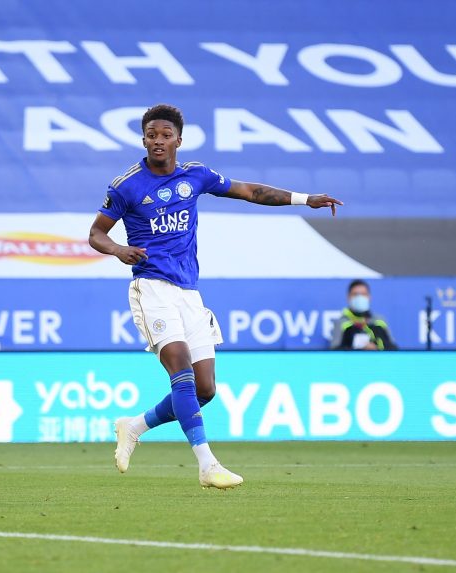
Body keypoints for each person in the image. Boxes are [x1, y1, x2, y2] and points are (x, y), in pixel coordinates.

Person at [88, 104, 342, 489]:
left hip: (189, 293)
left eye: (165, 135)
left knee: (205, 389)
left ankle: (133, 426)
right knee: (180, 368)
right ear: (143, 139)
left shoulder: (197, 176)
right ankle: (207, 465)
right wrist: (120, 250)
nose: (158, 141)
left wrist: (305, 199)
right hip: (151, 288)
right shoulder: (126, 186)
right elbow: (96, 234)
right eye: (151, 135)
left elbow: (251, 191)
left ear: (178, 140)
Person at [330, 279, 397, 350]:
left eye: (363, 294)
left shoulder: (380, 321)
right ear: (348, 297)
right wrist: (360, 350)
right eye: (355, 294)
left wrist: (376, 348)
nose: (359, 298)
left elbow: (393, 348)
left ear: (369, 297)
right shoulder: (341, 323)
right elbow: (334, 351)